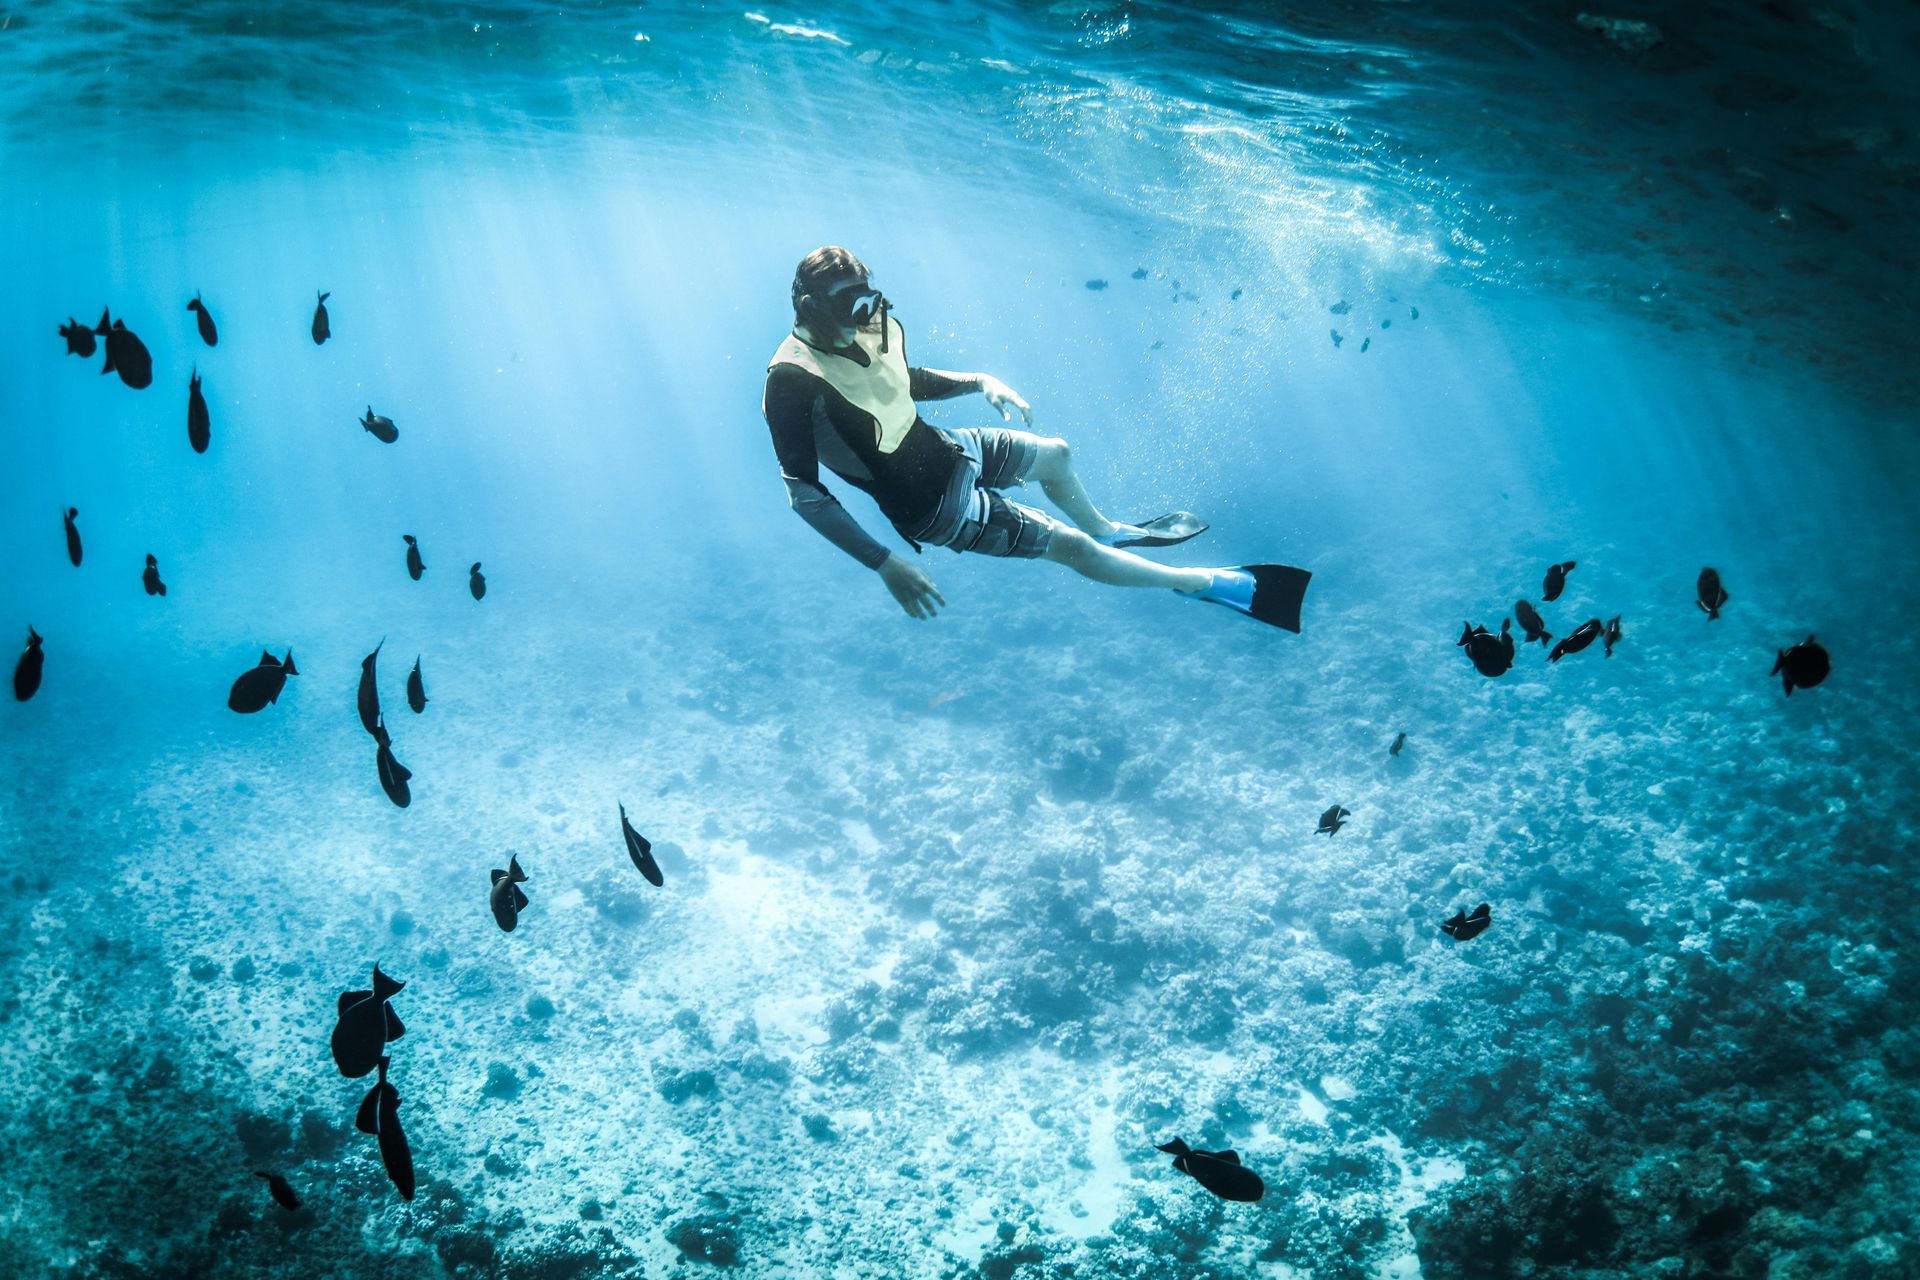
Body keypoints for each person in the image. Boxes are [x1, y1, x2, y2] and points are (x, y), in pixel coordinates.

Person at [761, 246, 1309, 630]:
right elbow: (803, 493)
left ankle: (1110, 531)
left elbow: (899, 379)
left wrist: (980, 380)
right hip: (930, 507)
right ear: (809, 305)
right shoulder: (790, 380)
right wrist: (883, 563)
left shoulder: (866, 325)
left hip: (947, 448)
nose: (861, 317)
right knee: (1070, 548)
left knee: (1056, 455)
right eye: (845, 305)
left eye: (865, 300)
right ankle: (1196, 582)